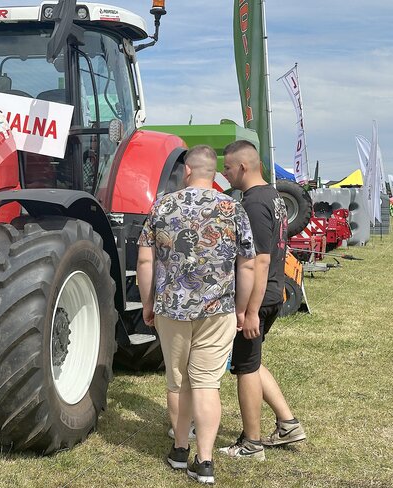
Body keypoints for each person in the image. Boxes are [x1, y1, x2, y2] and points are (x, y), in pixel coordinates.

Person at [137, 145, 256, 484]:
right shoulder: (233, 208)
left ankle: (179, 449)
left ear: (187, 171)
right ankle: (204, 461)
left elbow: (145, 260)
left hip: (171, 308)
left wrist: (147, 302)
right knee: (206, 383)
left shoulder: (162, 205)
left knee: (178, 382)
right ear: (214, 172)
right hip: (217, 309)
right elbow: (247, 265)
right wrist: (241, 309)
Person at [219, 140, 306, 461]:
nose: (224, 173)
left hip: (260, 295)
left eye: (228, 167)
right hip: (272, 291)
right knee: (251, 362)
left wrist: (249, 311)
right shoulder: (273, 196)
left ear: (243, 167)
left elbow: (259, 260)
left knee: (245, 368)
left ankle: (251, 444)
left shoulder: (253, 204)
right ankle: (287, 423)